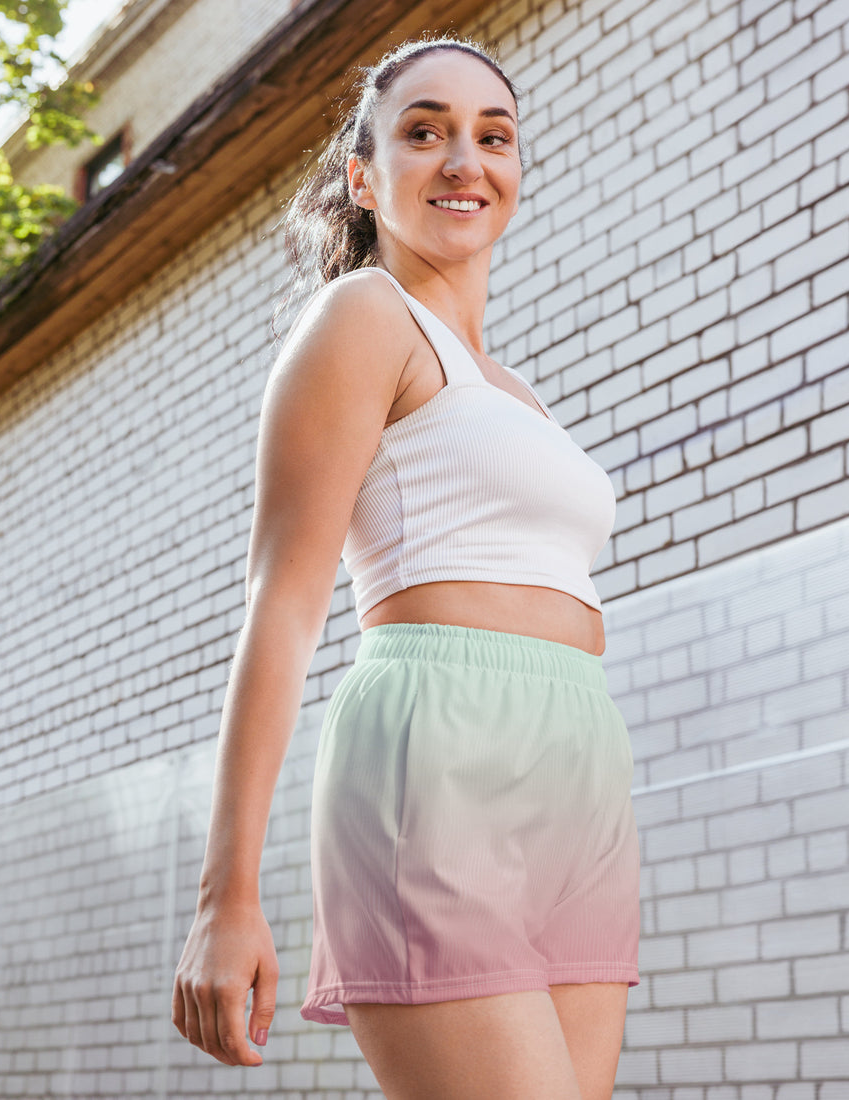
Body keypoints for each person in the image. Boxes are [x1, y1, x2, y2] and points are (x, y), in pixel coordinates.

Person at [171, 35, 641, 1100]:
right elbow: (281, 605)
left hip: (577, 766)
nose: (462, 160)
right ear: (362, 175)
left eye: (492, 136)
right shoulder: (362, 317)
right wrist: (225, 894)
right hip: (437, 750)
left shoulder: (515, 388)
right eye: (423, 132)